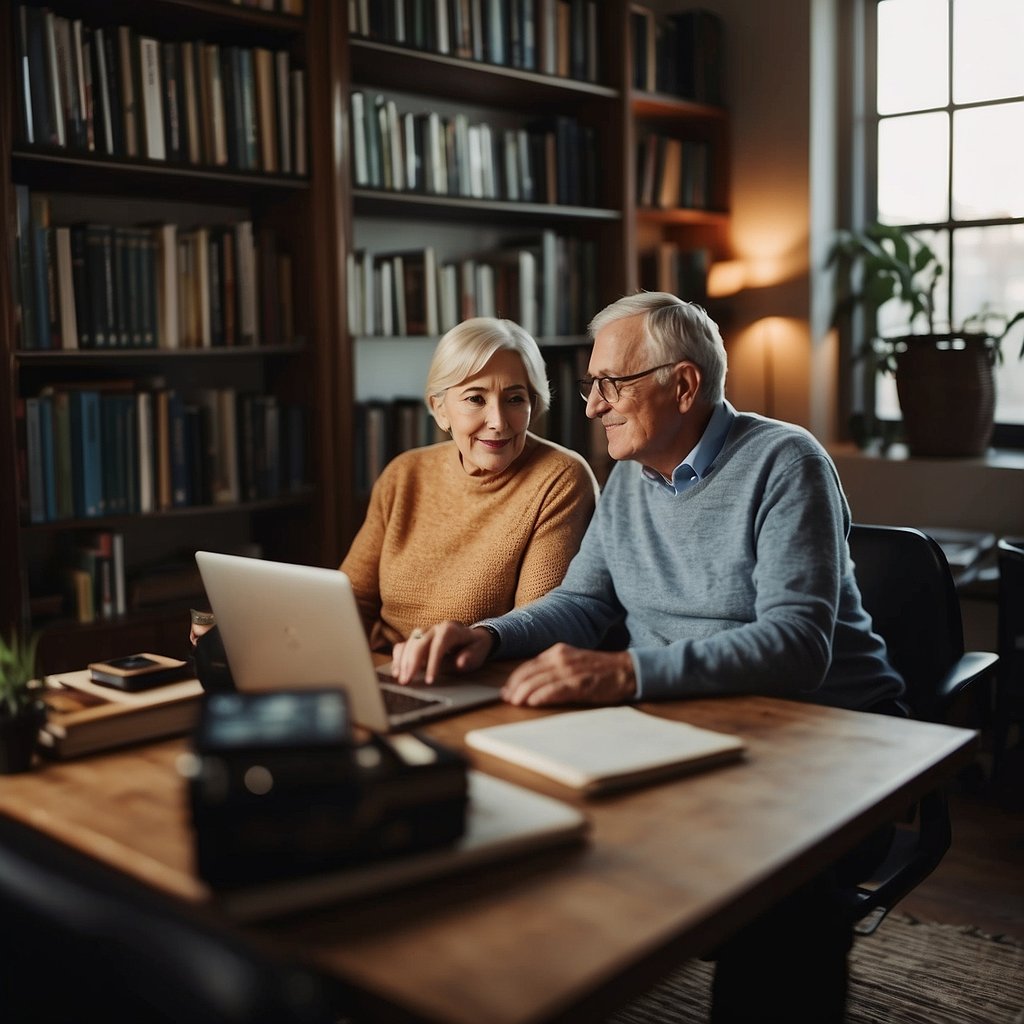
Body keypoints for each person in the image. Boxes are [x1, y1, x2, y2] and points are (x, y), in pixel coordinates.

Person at [391, 291, 906, 1023]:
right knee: (515, 833)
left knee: (776, 904)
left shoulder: (785, 462)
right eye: (591, 385)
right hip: (684, 722)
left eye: (612, 384)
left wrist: (625, 673)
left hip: (823, 736)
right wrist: (493, 635)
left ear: (684, 384)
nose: (593, 405)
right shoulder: (628, 480)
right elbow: (583, 602)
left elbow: (797, 648)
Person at [341, 315, 599, 652]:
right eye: (476, 399)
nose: (497, 421)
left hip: (481, 677)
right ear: (440, 409)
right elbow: (352, 601)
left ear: (534, 405)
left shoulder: (559, 478)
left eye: (514, 399)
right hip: (384, 670)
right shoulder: (404, 475)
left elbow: (538, 628)